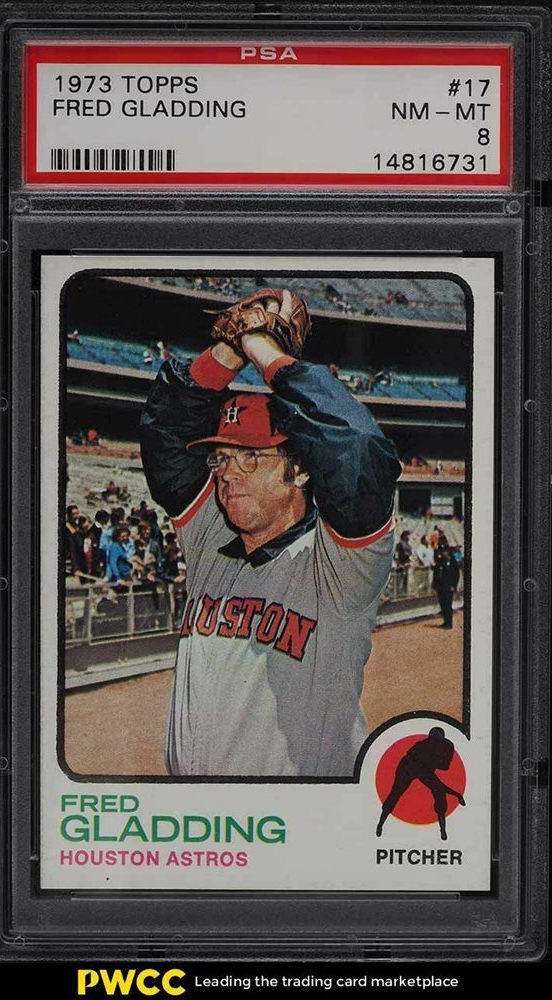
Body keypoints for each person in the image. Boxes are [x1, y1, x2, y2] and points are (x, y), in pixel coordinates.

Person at [140, 287, 401, 777]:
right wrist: (229, 350)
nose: (227, 474)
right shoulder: (210, 538)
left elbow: (357, 448)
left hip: (298, 811)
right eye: (222, 458)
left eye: (250, 457)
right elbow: (164, 434)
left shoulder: (339, 567)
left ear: (299, 469)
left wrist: (268, 352)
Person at [376, 727, 465, 840]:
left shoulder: (446, 746)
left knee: (439, 793)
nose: (434, 743)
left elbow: (445, 767)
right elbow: (414, 757)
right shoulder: (423, 745)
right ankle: (381, 823)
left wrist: (431, 761)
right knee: (396, 793)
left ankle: (442, 829)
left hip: (422, 768)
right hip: (409, 766)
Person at [433, 541, 460, 629]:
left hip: (449, 587)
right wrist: (435, 585)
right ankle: (445, 621)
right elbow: (436, 574)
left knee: (448, 605)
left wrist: (454, 585)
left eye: (445, 551)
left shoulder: (452, 561)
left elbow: (456, 575)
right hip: (441, 587)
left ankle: (449, 623)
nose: (443, 553)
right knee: (442, 604)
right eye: (442, 551)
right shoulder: (440, 561)